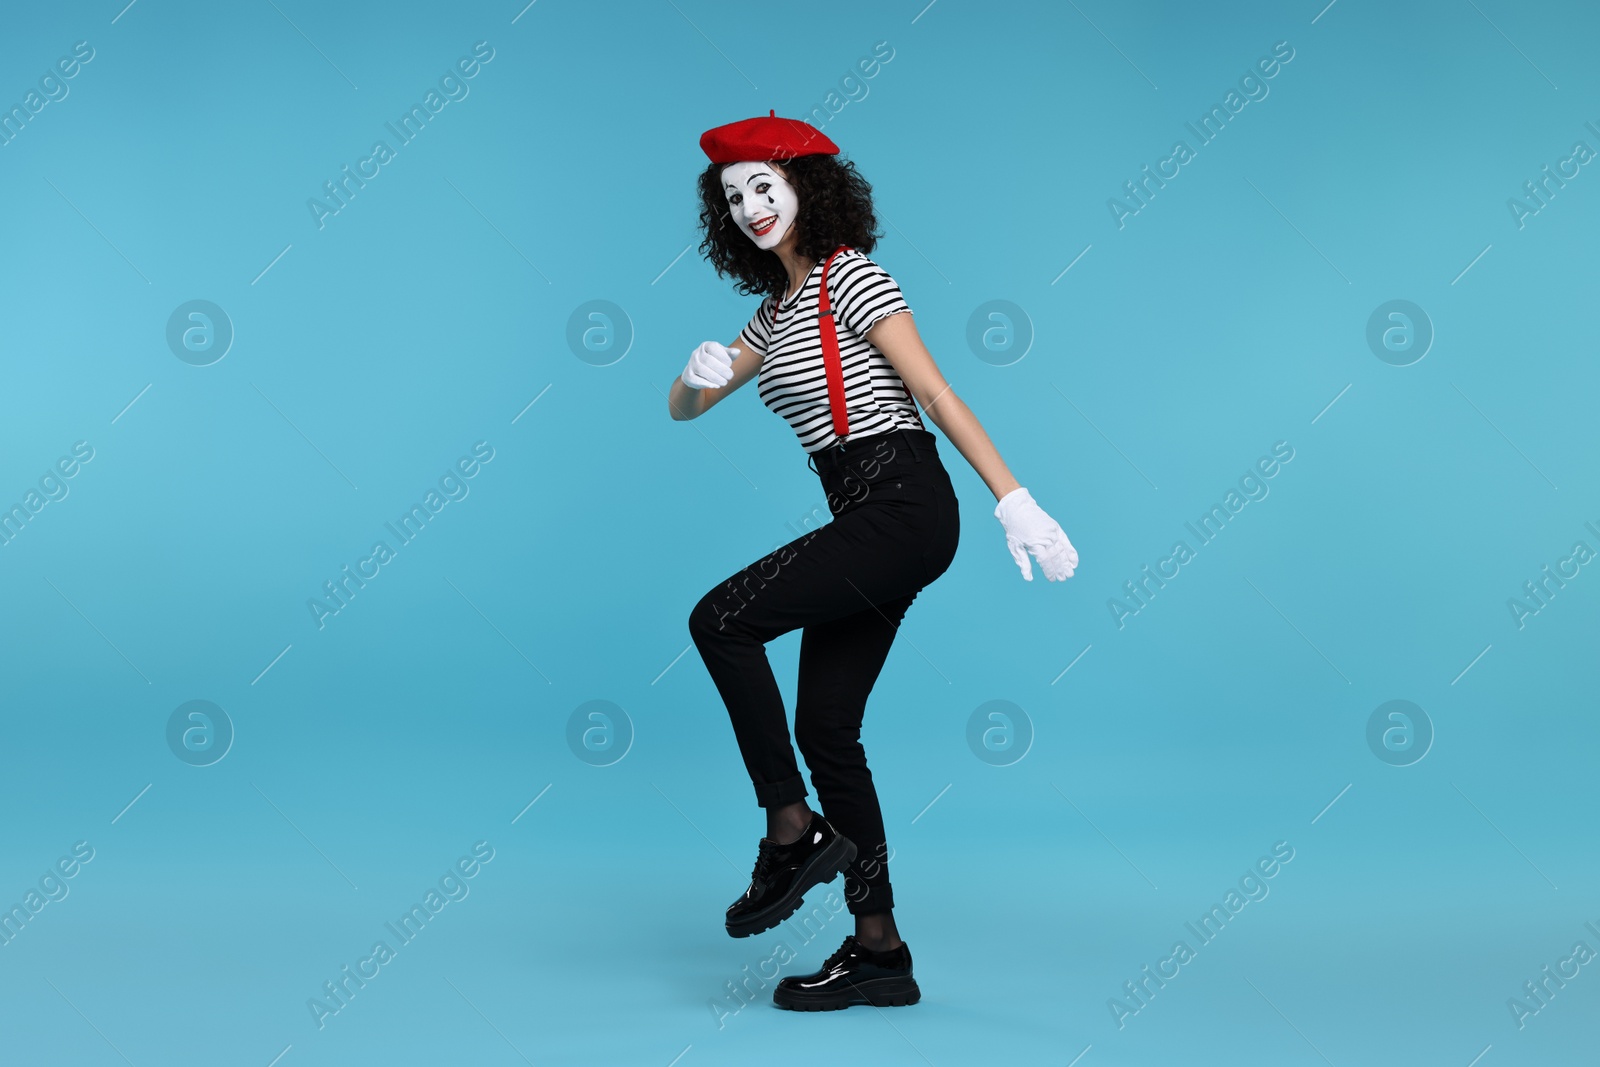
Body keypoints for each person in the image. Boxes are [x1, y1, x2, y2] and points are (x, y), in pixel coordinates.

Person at [668, 110, 1079, 1012]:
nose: (749, 207)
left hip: (901, 502)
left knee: (720, 619)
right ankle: (879, 948)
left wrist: (1016, 499)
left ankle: (788, 828)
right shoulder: (772, 314)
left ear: (808, 189)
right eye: (733, 197)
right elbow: (684, 410)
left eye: (764, 187)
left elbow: (933, 390)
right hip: (864, 511)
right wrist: (695, 375)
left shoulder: (853, 278)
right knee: (828, 731)